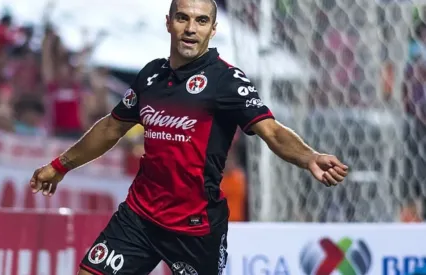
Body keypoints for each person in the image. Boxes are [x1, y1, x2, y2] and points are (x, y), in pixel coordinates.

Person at [28, 0, 349, 274]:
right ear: (169, 23)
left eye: (201, 20)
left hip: (195, 228)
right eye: (183, 18)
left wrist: (309, 157)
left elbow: (272, 131)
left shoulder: (227, 81)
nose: (191, 28)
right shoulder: (151, 76)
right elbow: (111, 128)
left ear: (213, 28)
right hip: (138, 217)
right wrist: (60, 165)